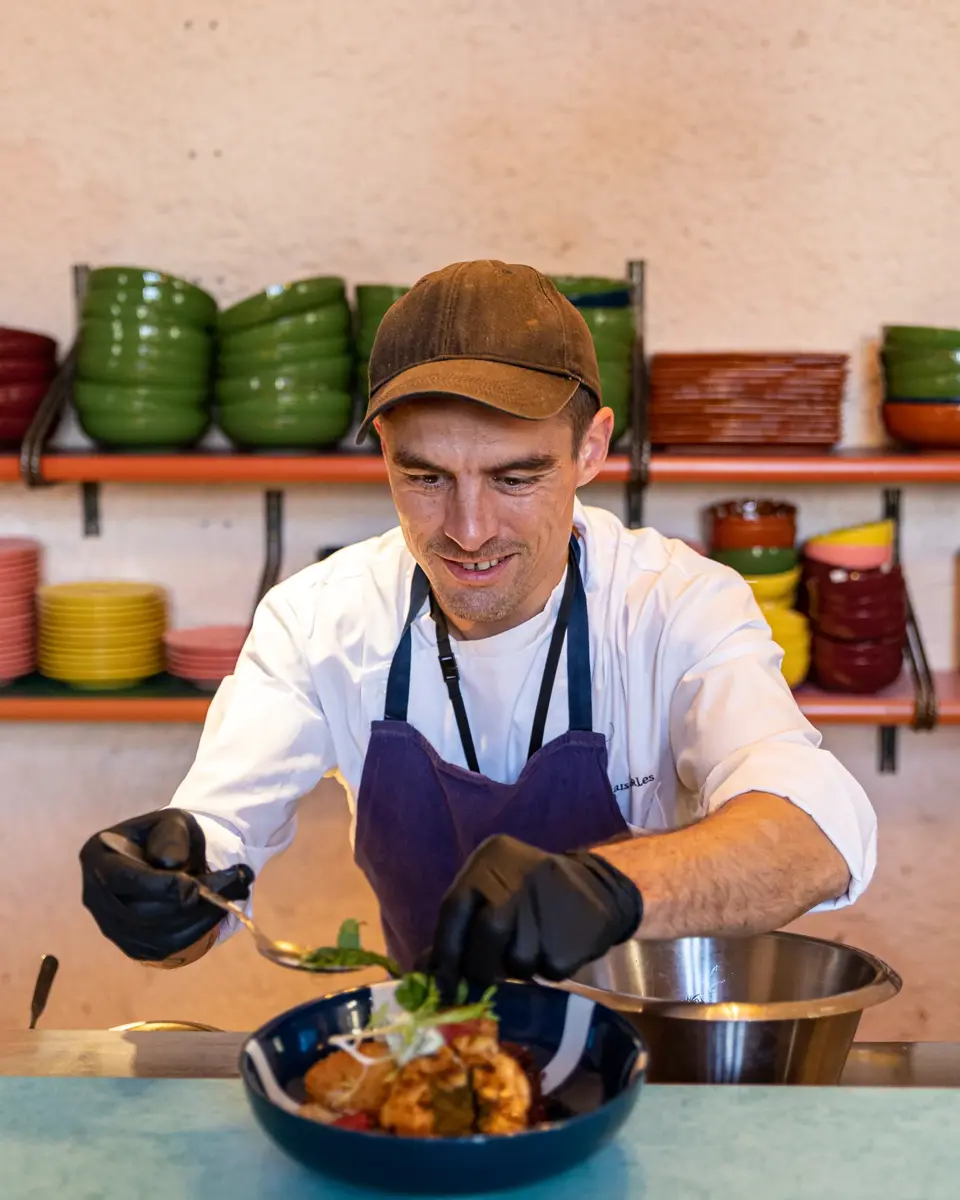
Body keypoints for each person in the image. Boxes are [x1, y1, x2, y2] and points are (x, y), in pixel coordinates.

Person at [80, 260, 876, 998]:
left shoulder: (675, 606)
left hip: (645, 1055)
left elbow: (817, 836)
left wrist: (618, 887)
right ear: (384, 452)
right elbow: (212, 860)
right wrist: (159, 896)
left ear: (591, 449)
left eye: (516, 477)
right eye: (424, 477)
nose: (468, 530)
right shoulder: (319, 619)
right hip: (436, 1055)